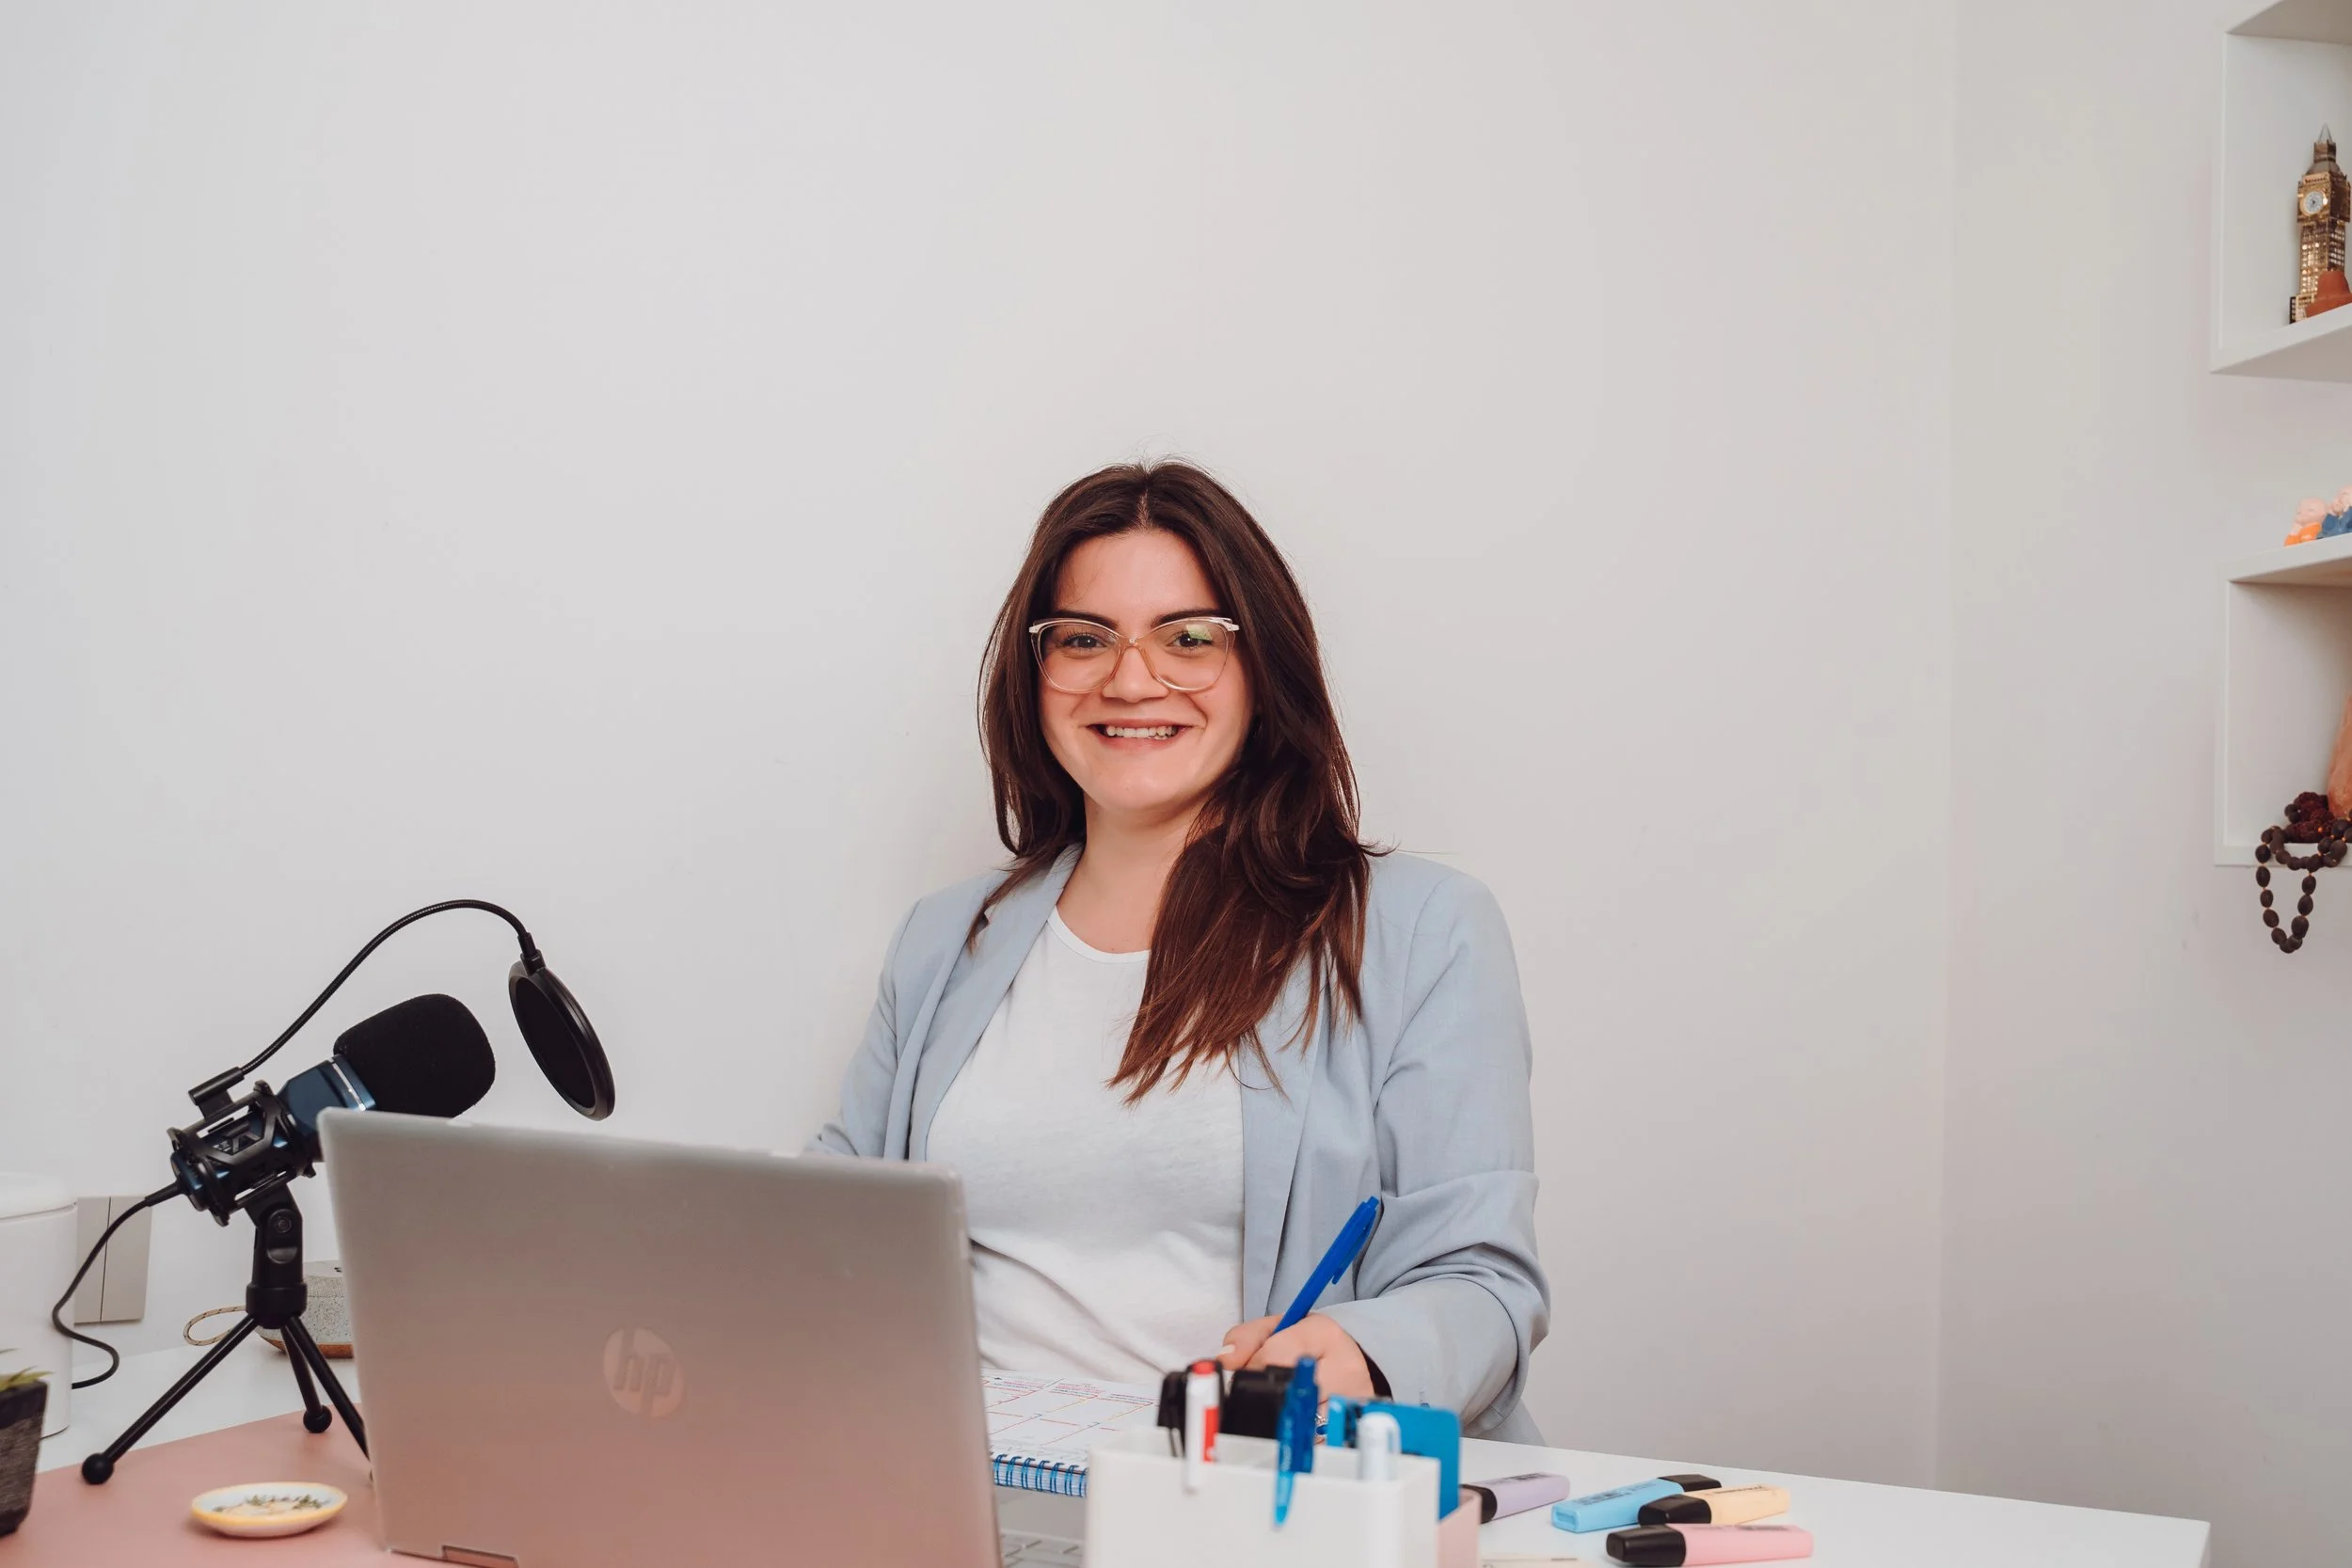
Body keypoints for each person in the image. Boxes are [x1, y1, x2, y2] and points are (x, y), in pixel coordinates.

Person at [811, 461, 1549, 1441]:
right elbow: (825, 1227)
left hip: (1239, 1506)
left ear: (1262, 668)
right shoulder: (945, 938)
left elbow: (1484, 1283)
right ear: (1036, 673)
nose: (1129, 678)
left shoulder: (1418, 928)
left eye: (1188, 638)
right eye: (1082, 638)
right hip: (958, 1506)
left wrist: (1361, 1349)